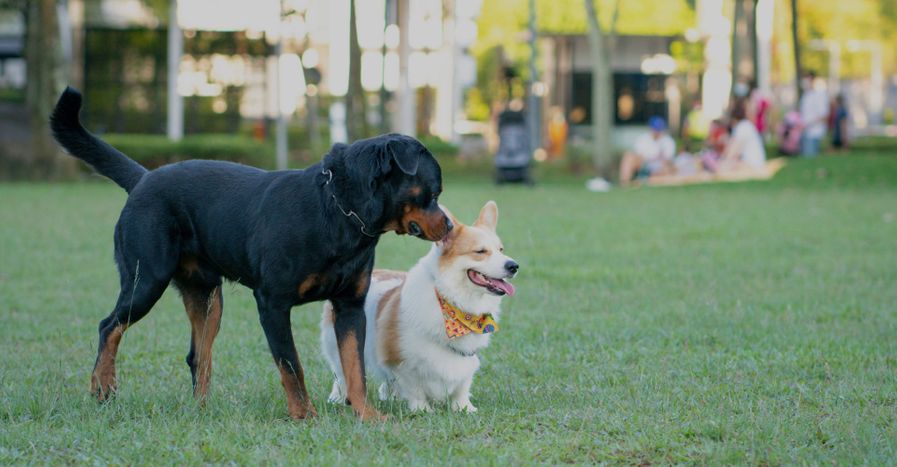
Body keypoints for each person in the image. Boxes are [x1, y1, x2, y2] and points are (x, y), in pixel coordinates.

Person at [619, 116, 676, 185]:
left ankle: (651, 180)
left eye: (659, 129)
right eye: (655, 129)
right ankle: (624, 183)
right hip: (645, 165)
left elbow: (668, 160)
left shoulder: (668, 141)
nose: (657, 132)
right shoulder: (643, 139)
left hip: (659, 167)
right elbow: (639, 156)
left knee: (667, 168)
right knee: (628, 156)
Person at [721, 102, 766, 170]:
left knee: (722, 166)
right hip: (755, 163)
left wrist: (722, 160)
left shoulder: (742, 127)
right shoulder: (746, 125)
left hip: (752, 165)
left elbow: (732, 152)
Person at [798, 71, 829, 158]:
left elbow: (823, 115)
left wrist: (808, 124)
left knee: (812, 158)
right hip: (805, 132)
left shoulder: (819, 95)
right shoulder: (805, 96)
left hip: (815, 133)